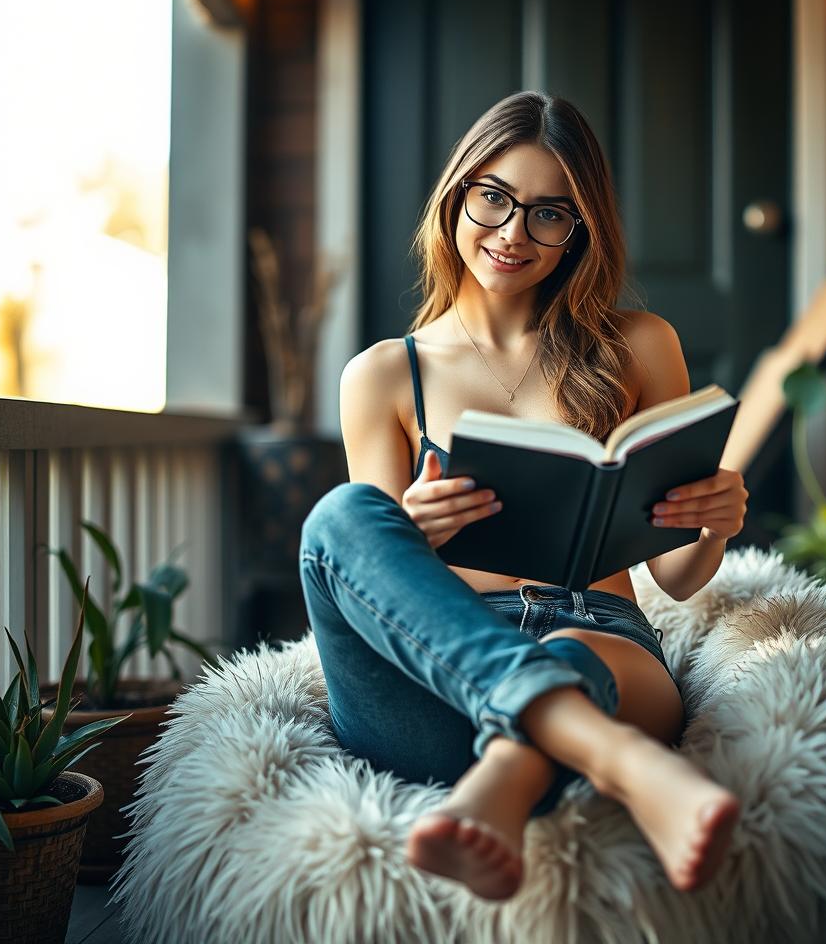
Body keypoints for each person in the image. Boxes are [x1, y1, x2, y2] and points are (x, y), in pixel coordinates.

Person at [299, 91, 749, 903]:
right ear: (458, 194)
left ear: (582, 232)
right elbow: (373, 580)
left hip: (599, 639)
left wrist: (711, 524)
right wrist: (409, 530)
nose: (513, 234)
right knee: (341, 518)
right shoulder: (382, 374)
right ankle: (622, 764)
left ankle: (503, 782)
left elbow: (677, 579)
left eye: (550, 214)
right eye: (495, 199)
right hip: (438, 676)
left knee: (574, 659)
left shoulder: (640, 346)